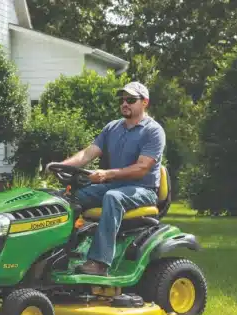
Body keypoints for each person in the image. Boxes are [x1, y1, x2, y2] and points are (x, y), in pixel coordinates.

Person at [59, 81, 166, 276]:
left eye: (131, 99)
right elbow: (88, 153)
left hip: (143, 190)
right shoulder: (112, 128)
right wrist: (62, 166)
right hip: (115, 186)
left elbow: (142, 168)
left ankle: (99, 263)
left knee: (113, 197)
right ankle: (60, 254)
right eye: (122, 99)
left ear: (145, 103)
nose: (125, 103)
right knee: (68, 197)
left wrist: (107, 174)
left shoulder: (153, 131)